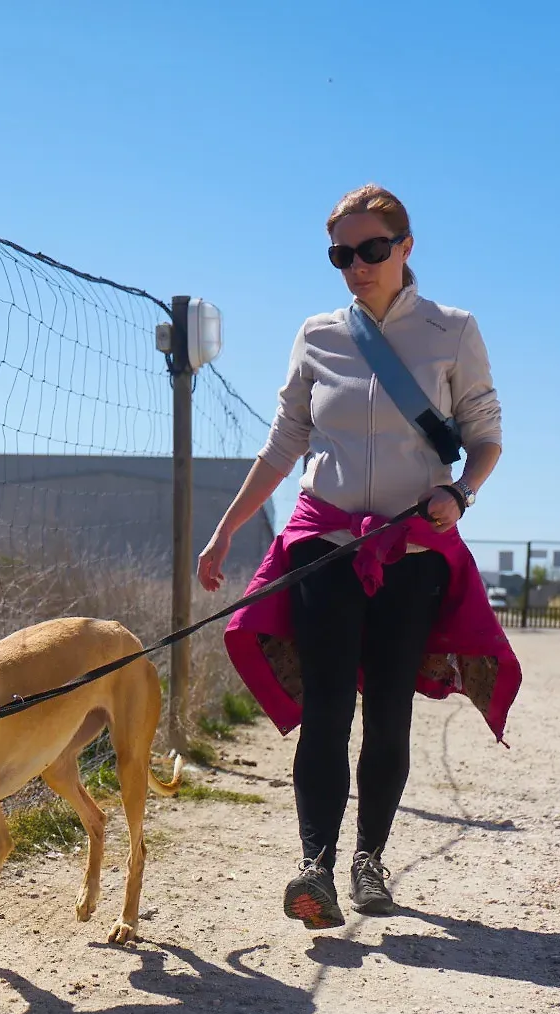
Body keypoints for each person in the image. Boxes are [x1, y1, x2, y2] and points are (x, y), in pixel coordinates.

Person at [198, 184, 508, 930]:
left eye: (372, 250)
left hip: (413, 549)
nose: (357, 266)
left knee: (390, 711)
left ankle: (370, 860)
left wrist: (462, 493)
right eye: (343, 254)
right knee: (328, 708)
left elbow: (487, 432)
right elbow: (284, 443)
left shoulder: (452, 330)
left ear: (405, 248)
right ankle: (316, 867)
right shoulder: (318, 335)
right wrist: (227, 527)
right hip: (327, 545)